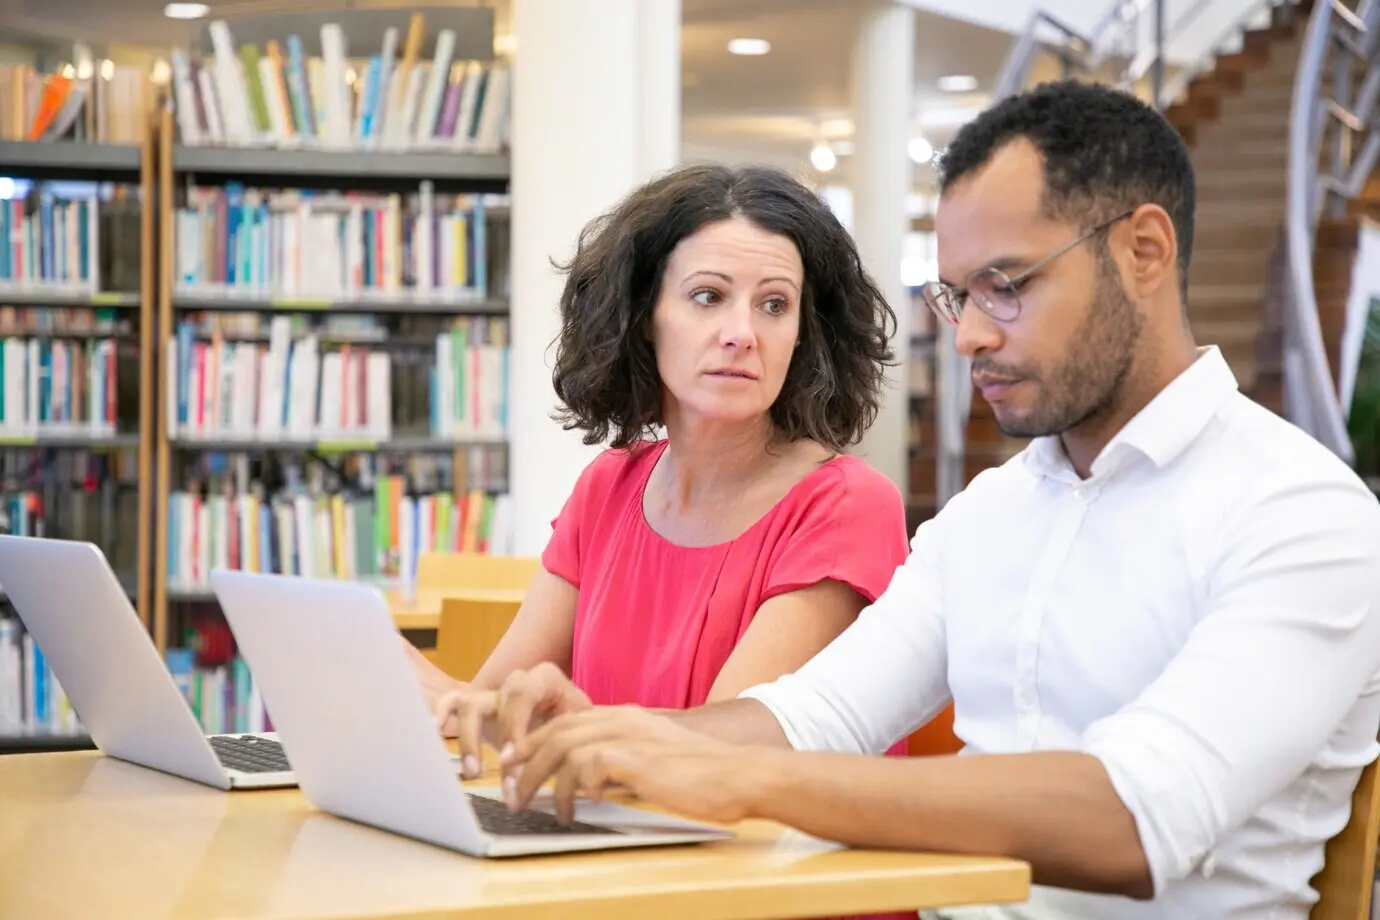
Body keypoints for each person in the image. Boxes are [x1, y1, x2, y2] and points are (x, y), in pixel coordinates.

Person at [448, 80, 1380, 920]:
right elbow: (813, 718)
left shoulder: (1304, 517)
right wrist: (610, 738)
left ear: (1144, 249)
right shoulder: (989, 515)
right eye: (956, 295)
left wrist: (732, 775)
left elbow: (1133, 822)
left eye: (1005, 286)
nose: (970, 335)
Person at [406, 162, 913, 778]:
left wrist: (562, 730)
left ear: (805, 333)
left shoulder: (846, 505)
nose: (741, 333)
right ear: (642, 317)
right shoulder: (609, 485)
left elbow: (727, 752)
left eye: (774, 305)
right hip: (611, 835)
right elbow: (486, 713)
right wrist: (379, 664)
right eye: (708, 297)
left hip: (759, 860)